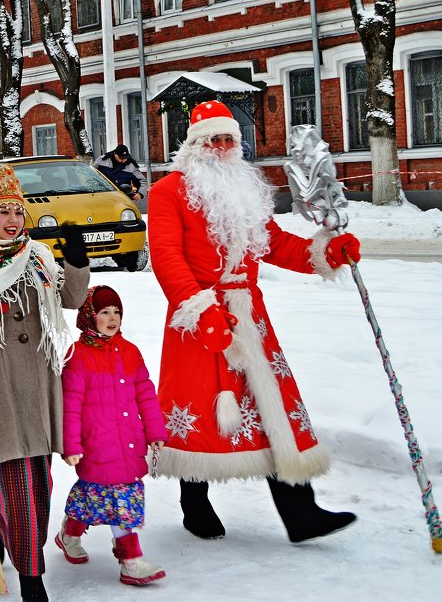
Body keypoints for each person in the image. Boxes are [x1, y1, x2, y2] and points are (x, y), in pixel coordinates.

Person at [148, 100, 361, 544]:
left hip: (251, 317)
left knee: (273, 409)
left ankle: (300, 512)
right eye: (214, 140)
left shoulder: (246, 191)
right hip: (199, 317)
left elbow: (276, 244)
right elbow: (167, 256)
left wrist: (323, 252)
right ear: (194, 146)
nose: (223, 147)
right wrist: (200, 311)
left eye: (230, 140)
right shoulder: (168, 191)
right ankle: (195, 502)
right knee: (205, 409)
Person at [0, 165, 90, 602]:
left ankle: (16, 551)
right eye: (2, 211)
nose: (12, 220)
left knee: (35, 480)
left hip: (38, 384)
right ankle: (17, 556)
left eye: (17, 211)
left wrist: (77, 261)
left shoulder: (38, 256)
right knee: (8, 479)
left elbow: (71, 299)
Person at [55, 285, 167, 586]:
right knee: (117, 500)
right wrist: (71, 445)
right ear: (89, 317)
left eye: (116, 311)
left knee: (99, 497)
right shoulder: (77, 356)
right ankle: (131, 561)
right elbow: (71, 405)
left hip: (129, 441)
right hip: (96, 442)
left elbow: (146, 394)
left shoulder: (130, 352)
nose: (112, 317)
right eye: (104, 312)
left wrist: (155, 431)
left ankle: (69, 533)